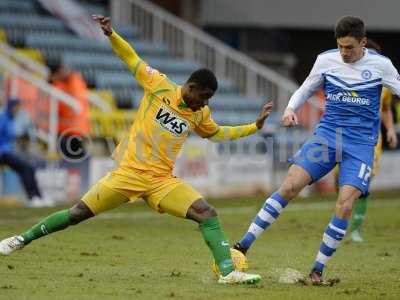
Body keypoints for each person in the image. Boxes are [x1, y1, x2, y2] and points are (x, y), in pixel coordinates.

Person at [0, 15, 274, 285]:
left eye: (208, 100)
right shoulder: (159, 85)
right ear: (191, 87)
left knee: (207, 213)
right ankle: (21, 239)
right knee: (76, 214)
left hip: (161, 181)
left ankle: (227, 273)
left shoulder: (200, 114)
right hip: (128, 174)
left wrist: (254, 126)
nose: (204, 104)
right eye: (203, 97)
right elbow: (131, 59)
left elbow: (218, 133)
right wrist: (111, 34)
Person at [234, 16, 400, 284]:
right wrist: (290, 109)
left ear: (363, 42)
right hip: (327, 137)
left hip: (360, 145)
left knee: (345, 204)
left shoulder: (382, 66)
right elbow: (305, 88)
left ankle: (317, 270)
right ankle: (241, 246)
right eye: (340, 47)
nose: (344, 53)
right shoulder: (326, 60)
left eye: (350, 47)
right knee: (289, 186)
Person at [342, 40, 398, 242]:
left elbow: (385, 109)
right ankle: (340, 221)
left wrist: (390, 129)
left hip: (372, 140)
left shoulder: (384, 85)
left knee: (363, 183)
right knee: (345, 182)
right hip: (344, 136)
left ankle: (355, 228)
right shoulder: (347, 79)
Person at [0, 99, 51, 207]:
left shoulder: (10, 119)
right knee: (26, 168)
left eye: (18, 107)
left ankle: (38, 196)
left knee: (28, 168)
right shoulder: (3, 118)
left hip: (7, 152)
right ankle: (33, 197)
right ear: (10, 107)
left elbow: (12, 136)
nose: (17, 109)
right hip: (3, 153)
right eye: (15, 107)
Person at [48, 62, 90, 160]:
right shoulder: (74, 82)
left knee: (73, 157)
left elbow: (62, 105)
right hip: (73, 128)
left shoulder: (72, 83)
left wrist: (54, 81)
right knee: (75, 156)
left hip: (72, 128)